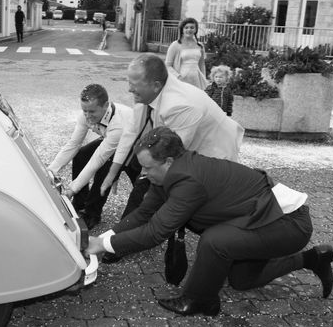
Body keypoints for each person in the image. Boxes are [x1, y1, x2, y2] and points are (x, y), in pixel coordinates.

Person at [87, 126, 333, 316]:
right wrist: (103, 238)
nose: (143, 173)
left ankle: (199, 300)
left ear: (169, 162)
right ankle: (313, 258)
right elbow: (142, 214)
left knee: (215, 241)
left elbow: (155, 232)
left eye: (147, 167)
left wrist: (102, 246)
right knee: (242, 281)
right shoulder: (166, 176)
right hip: (262, 219)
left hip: (289, 223)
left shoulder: (187, 181)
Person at [100, 53, 244, 220]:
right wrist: (112, 173)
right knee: (144, 178)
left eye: (134, 84)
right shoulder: (149, 92)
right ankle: (128, 234)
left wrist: (148, 190)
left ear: (155, 85)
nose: (129, 89)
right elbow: (131, 132)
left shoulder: (179, 105)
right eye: (129, 82)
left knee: (154, 191)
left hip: (215, 153)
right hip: (184, 146)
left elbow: (171, 158)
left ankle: (124, 239)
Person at [48, 84, 135, 229]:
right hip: (110, 138)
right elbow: (73, 144)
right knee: (81, 155)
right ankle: (79, 202)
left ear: (106, 105)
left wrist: (72, 188)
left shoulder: (118, 123)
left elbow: (97, 160)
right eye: (84, 110)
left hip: (133, 145)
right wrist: (50, 171)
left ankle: (92, 213)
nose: (87, 116)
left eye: (92, 111)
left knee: (104, 169)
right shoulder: (86, 115)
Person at [165, 17, 207, 89]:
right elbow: (168, 65)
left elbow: (202, 64)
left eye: (192, 27)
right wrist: (178, 76)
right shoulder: (175, 45)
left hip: (196, 80)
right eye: (186, 27)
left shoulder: (200, 45)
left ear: (196, 29)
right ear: (182, 30)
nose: (189, 30)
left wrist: (204, 79)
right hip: (181, 80)